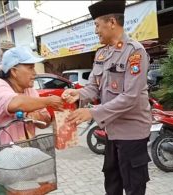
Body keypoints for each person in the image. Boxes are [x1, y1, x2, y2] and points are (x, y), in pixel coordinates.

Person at [62, 1, 152, 195]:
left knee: (134, 187)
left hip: (132, 133)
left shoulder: (134, 52)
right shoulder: (101, 54)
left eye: (96, 25)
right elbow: (93, 87)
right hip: (111, 131)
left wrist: (92, 113)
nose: (95, 31)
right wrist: (77, 94)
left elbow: (130, 97)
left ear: (111, 22)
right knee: (112, 184)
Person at [0, 46, 63, 195]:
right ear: (14, 71)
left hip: (22, 156)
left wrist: (38, 117)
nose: (34, 73)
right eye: (30, 68)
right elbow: (15, 103)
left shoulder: (29, 89)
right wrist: (48, 101)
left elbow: (45, 120)